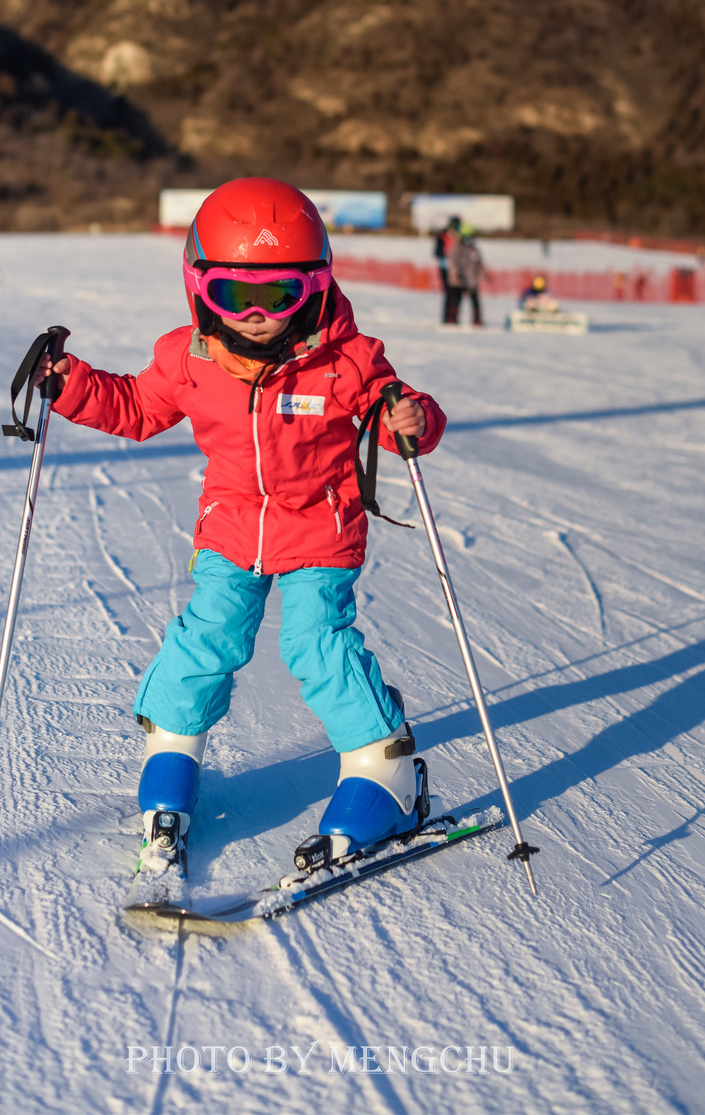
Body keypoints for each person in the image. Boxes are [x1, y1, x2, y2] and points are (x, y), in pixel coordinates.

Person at [35, 178, 446, 868]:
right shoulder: (188, 358)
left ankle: (386, 772)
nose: (257, 316)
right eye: (234, 295)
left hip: (319, 528)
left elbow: (395, 407)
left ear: (314, 289)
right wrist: (71, 385)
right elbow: (136, 407)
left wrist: (411, 419)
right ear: (200, 288)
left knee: (317, 645)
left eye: (279, 296)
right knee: (208, 636)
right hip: (231, 526)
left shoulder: (345, 360)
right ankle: (172, 755)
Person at [444, 223, 484, 326]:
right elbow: (453, 264)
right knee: (455, 301)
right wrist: (455, 275)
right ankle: (452, 319)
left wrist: (485, 274)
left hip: (472, 281)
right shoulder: (457, 250)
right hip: (459, 280)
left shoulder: (474, 250)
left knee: (475, 301)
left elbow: (479, 264)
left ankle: (477, 320)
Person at [433, 215, 460, 323]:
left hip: (457, 269)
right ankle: (447, 317)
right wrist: (447, 254)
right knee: (449, 293)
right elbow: (437, 252)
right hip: (445, 267)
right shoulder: (442, 237)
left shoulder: (458, 237)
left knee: (456, 294)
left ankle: (454, 317)